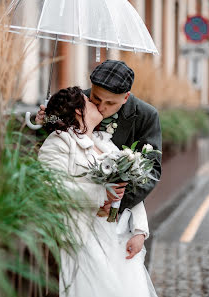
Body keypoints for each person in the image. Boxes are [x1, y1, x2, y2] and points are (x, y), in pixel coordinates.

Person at [38, 86, 157, 297]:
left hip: (118, 238)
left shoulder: (104, 142)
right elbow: (51, 187)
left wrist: (140, 231)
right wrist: (101, 195)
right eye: (91, 101)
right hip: (83, 238)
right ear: (78, 111)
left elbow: (127, 183)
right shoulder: (58, 142)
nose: (98, 107)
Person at [37, 60, 162, 214]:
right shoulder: (80, 102)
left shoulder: (146, 115)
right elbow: (54, 137)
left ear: (125, 97)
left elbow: (152, 170)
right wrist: (47, 120)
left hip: (125, 202)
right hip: (78, 202)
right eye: (95, 98)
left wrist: (117, 204)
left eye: (110, 103)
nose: (101, 107)